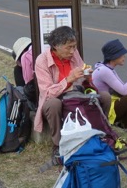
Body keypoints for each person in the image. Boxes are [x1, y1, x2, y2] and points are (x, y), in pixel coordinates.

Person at [33, 26, 111, 163]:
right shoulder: (42, 61)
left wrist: (88, 77)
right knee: (53, 104)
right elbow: (47, 93)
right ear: (56, 46)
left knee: (105, 96)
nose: (72, 51)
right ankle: (58, 145)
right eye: (69, 47)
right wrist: (69, 80)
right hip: (56, 99)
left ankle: (101, 134)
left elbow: (83, 79)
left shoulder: (74, 54)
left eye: (74, 47)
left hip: (76, 96)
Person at [91, 38, 127, 133]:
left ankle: (125, 121)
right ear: (114, 56)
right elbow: (124, 91)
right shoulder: (104, 71)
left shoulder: (107, 68)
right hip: (105, 110)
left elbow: (123, 88)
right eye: (122, 55)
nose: (124, 57)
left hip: (111, 101)